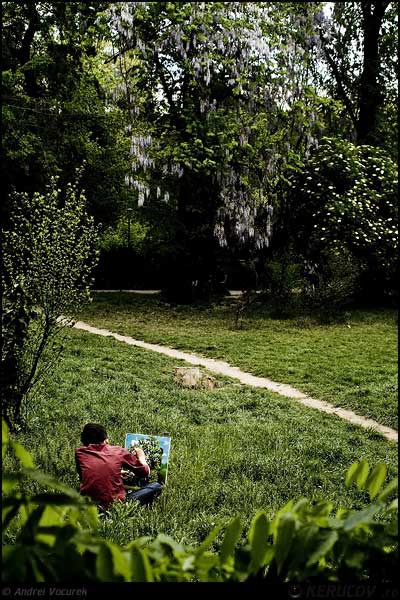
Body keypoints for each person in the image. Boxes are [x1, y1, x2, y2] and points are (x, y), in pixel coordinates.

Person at [75, 423, 162, 511]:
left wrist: (116, 473)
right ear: (105, 439)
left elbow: (84, 476)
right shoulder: (117, 451)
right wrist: (142, 458)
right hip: (116, 506)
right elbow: (145, 472)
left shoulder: (79, 453)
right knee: (157, 486)